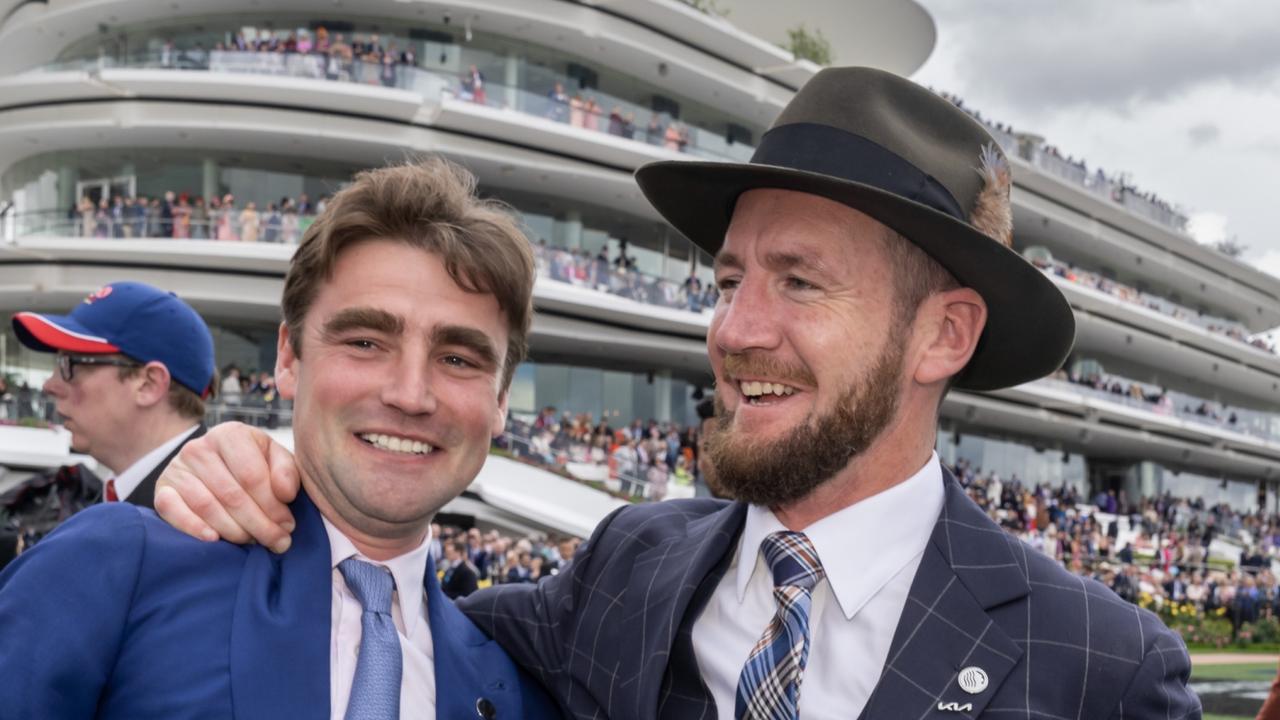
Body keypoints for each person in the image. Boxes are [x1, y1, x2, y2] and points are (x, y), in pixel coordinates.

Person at [155, 68, 1198, 718]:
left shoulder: (1100, 667)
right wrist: (248, 461)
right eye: (730, 280)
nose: (736, 331)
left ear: (942, 333)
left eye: (799, 281)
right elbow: (399, 608)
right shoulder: (628, 567)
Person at [0, 161, 557, 718]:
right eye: (365, 343)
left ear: (502, 399)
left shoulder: (518, 689)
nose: (411, 395)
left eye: (458, 359)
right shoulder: (115, 565)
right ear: (289, 358)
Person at [0, 282, 215, 569]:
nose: (50, 385)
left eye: (69, 364)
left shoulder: (204, 522)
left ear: (148, 384)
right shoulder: (140, 499)